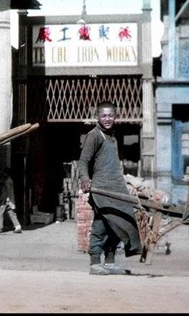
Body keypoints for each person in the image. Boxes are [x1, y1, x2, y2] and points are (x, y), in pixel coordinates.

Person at [77, 101, 142, 275]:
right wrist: (85, 179)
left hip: (115, 188)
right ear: (97, 116)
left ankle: (111, 262)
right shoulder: (94, 135)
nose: (107, 119)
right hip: (101, 189)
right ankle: (95, 262)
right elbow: (83, 161)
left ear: (116, 116)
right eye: (103, 115)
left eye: (110, 115)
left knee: (117, 223)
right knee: (102, 224)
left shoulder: (112, 136)